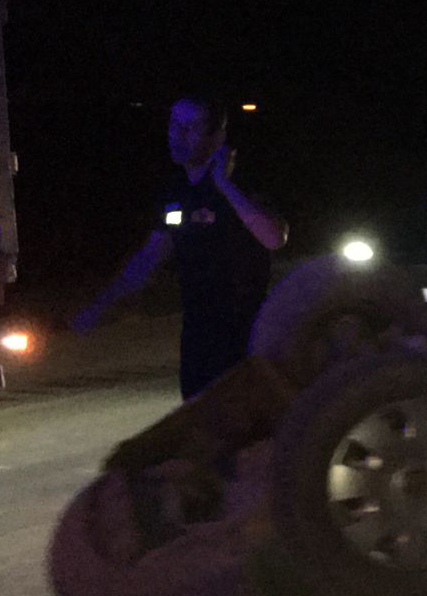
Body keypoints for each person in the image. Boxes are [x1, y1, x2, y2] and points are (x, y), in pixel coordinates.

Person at [72, 98, 288, 398]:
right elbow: (149, 257)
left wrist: (223, 185)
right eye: (174, 125)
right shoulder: (175, 192)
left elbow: (274, 238)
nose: (178, 134)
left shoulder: (245, 181)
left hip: (248, 329)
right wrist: (101, 305)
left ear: (218, 135)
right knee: (200, 418)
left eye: (191, 127)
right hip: (198, 331)